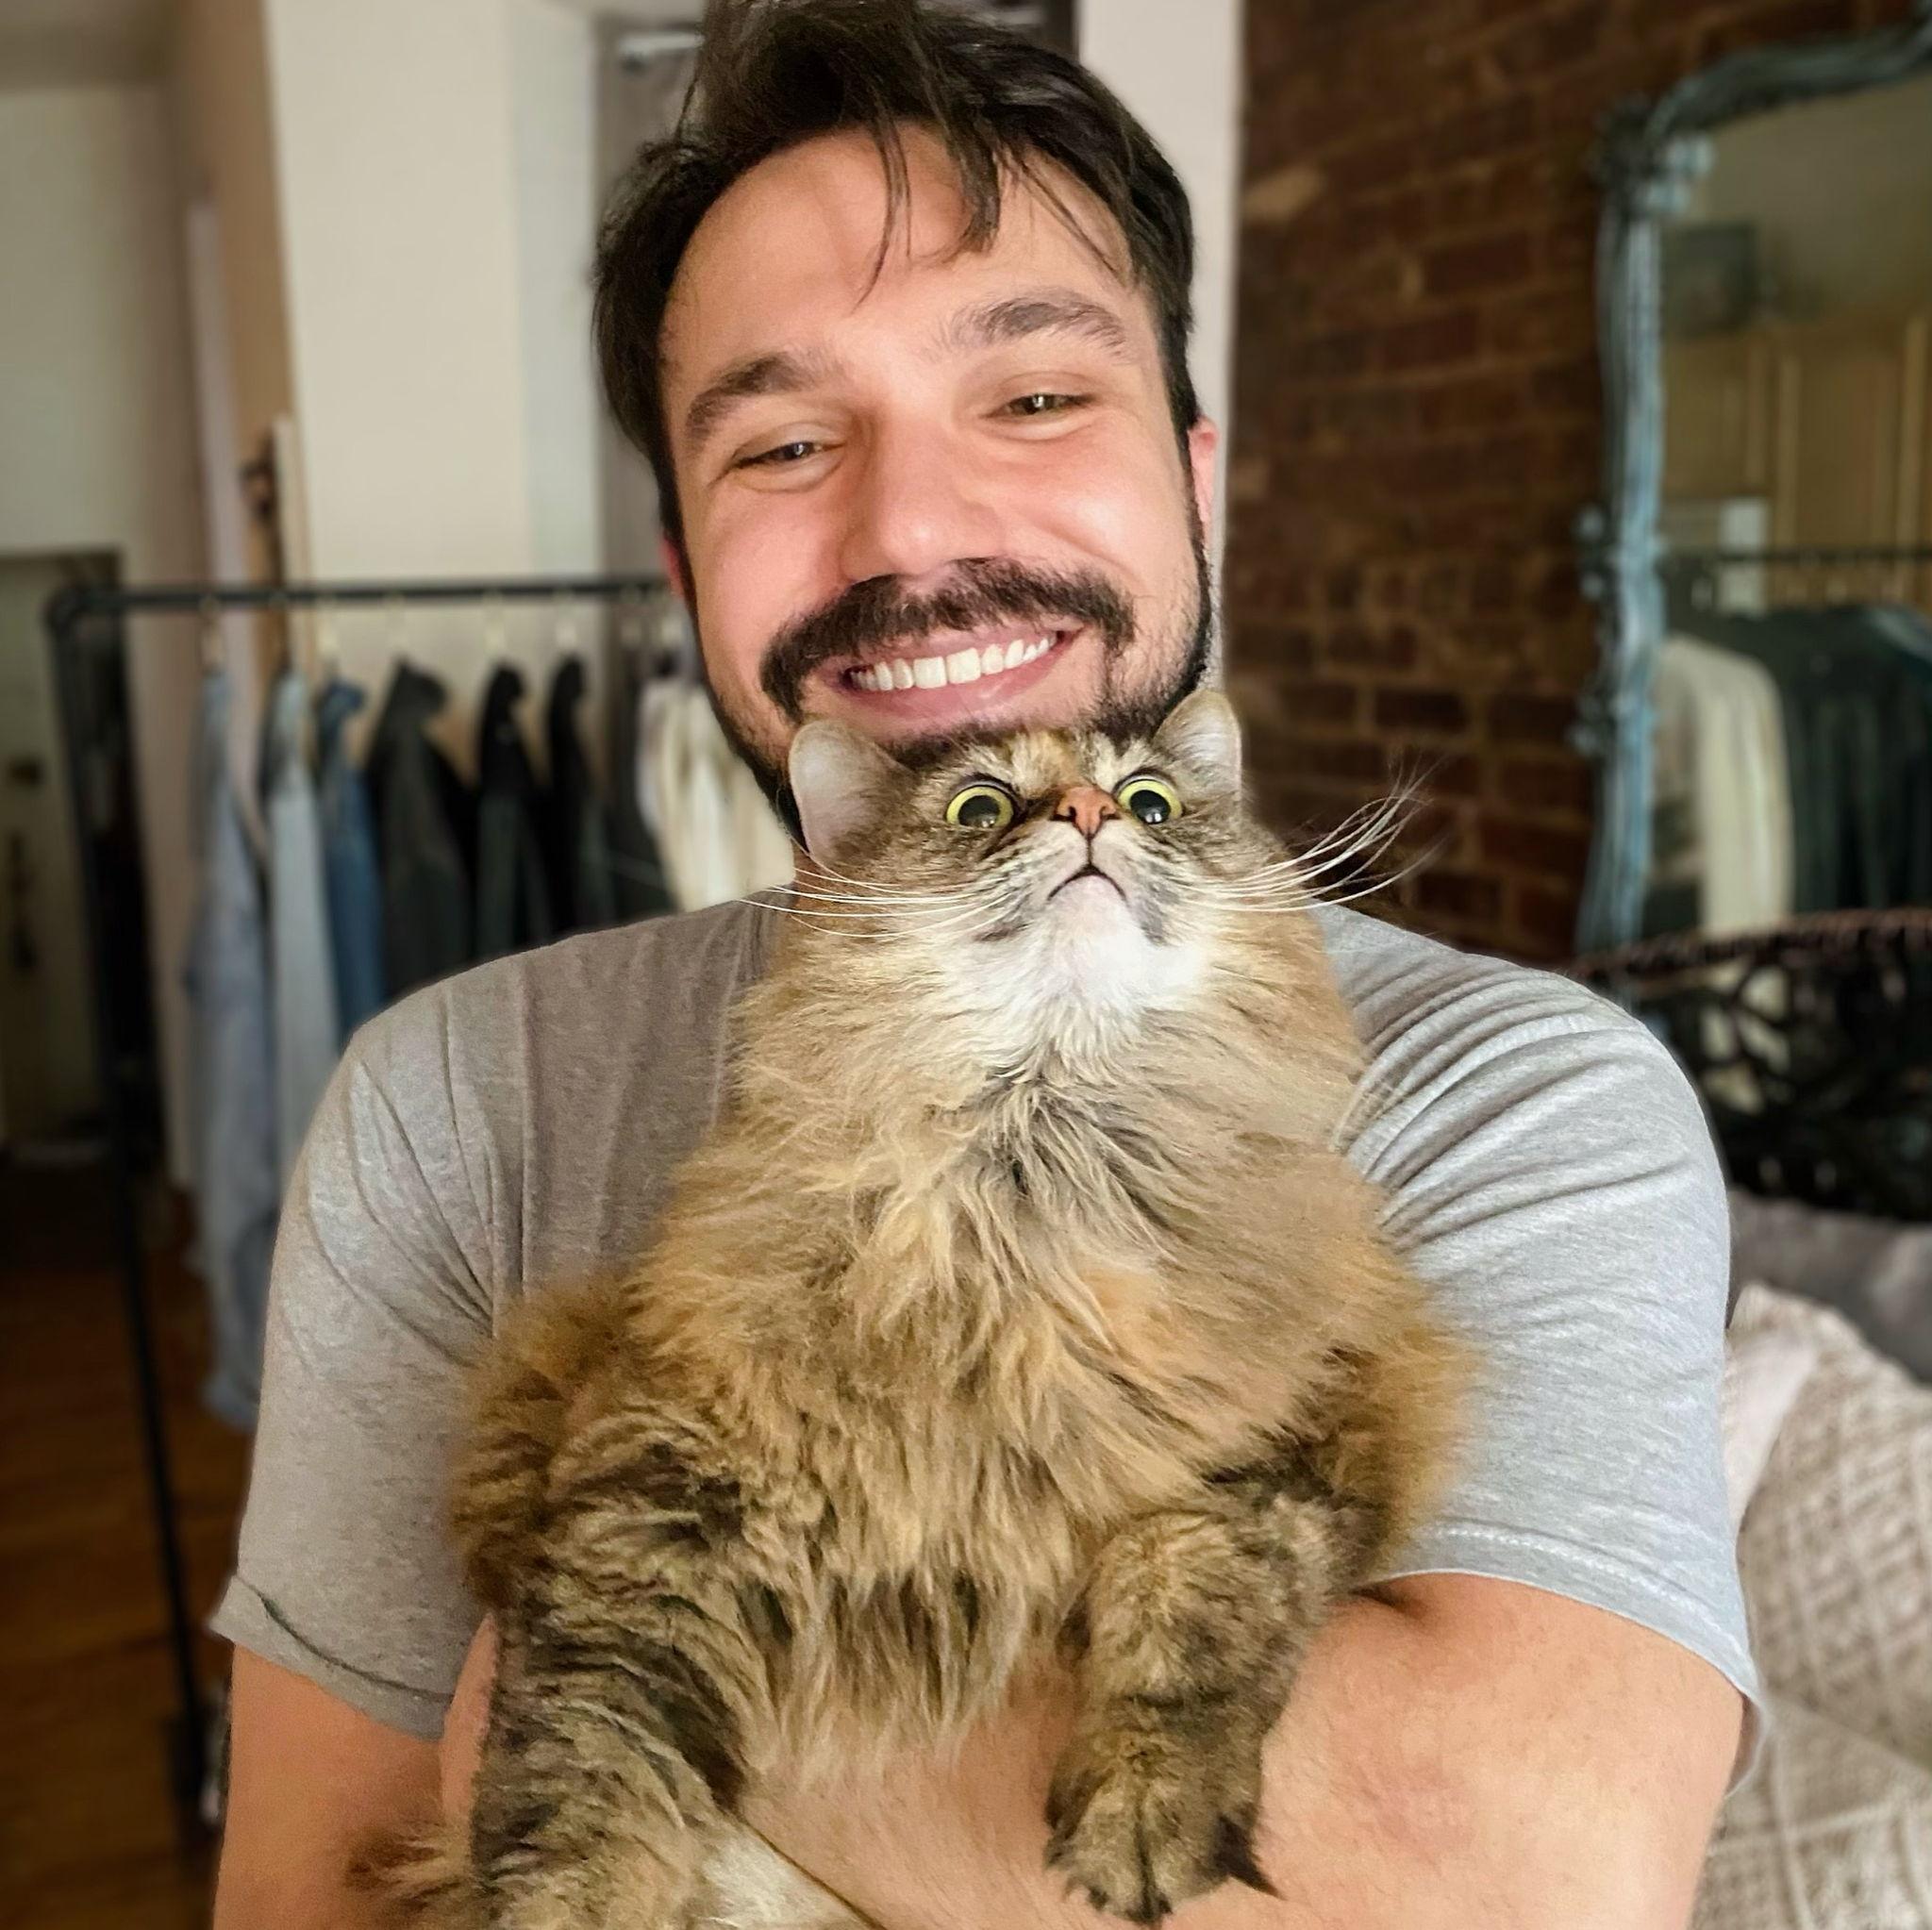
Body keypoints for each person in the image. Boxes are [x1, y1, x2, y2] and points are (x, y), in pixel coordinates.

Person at [211, 4, 1756, 1924]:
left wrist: (609, 1668)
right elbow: (310, 1885)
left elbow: (1519, 1877)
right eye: (786, 440)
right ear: (686, 576)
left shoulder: (1528, 1098)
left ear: (1195, 482)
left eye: (1031, 396)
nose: (914, 527)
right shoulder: (445, 1102)